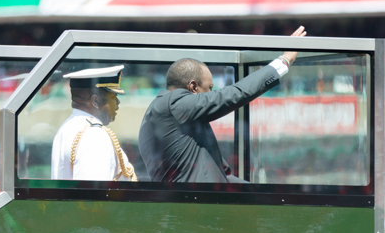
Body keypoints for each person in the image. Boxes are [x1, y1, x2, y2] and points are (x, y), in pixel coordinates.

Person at [138, 26, 306, 183]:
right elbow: (232, 95)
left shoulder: (173, 117)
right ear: (193, 87)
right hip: (196, 209)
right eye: (209, 88)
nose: (212, 93)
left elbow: (220, 176)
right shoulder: (173, 103)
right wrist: (283, 61)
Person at [50, 66, 136, 182]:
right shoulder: (94, 136)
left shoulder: (67, 127)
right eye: (113, 96)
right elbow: (93, 194)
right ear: (96, 101)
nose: (118, 102)